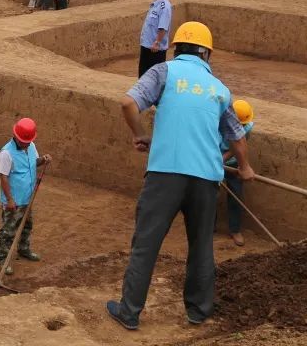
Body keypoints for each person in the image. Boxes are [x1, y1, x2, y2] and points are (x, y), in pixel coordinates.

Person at [107, 21, 255, 330]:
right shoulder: (219, 90)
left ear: (177, 49)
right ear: (206, 54)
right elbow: (237, 138)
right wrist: (244, 168)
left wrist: (140, 134)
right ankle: (198, 311)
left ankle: (130, 312)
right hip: (205, 180)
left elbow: (127, 103)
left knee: (146, 244)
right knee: (201, 245)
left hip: (165, 175)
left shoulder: (164, 73)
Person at [0, 118, 53, 274]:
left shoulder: (31, 146)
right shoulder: (6, 153)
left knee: (27, 226)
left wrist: (43, 160)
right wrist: (9, 199)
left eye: (29, 141)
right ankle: (3, 258)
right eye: (24, 141)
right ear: (17, 137)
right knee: (9, 230)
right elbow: (3, 177)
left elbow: (33, 163)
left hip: (28, 197)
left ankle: (23, 249)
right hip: (13, 201)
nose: (27, 144)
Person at [220, 99, 255, 246]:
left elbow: (238, 147)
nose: (242, 127)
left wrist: (223, 159)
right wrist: (215, 160)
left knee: (236, 196)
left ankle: (235, 230)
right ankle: (208, 229)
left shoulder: (247, 127)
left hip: (234, 165)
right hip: (213, 161)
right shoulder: (218, 123)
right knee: (208, 194)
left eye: (244, 124)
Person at [137, 0, 172, 77]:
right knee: (143, 76)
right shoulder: (156, 4)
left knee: (154, 78)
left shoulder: (164, 6)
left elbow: (163, 27)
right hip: (147, 46)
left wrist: (157, 42)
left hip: (155, 49)